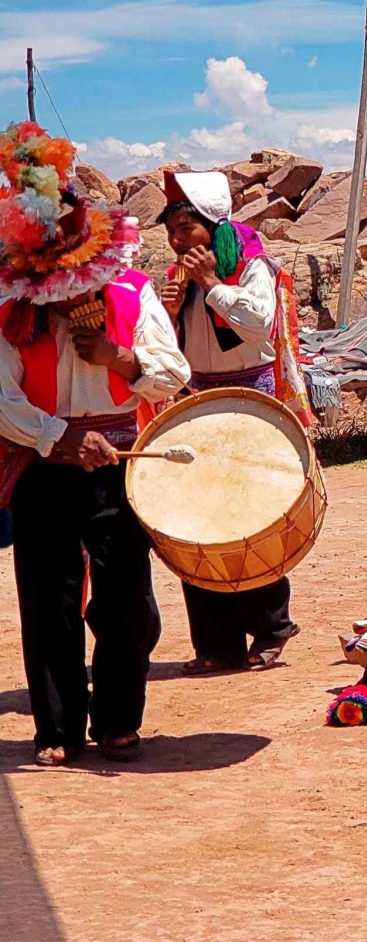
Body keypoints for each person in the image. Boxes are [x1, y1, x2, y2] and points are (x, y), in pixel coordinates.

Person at [0, 122, 190, 765]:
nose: (73, 295)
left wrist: (120, 358)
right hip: (42, 465)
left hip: (121, 465)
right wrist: (57, 438)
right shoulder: (13, 311)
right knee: (47, 597)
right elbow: (2, 400)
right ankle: (55, 728)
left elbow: (175, 374)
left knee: (125, 599)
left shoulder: (133, 295)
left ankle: (116, 719)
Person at [158, 170, 313, 674]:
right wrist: (169, 313)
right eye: (172, 230)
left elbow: (258, 324)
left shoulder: (250, 264)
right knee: (197, 517)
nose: (176, 239)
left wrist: (210, 284)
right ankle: (216, 642)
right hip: (198, 396)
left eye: (185, 228)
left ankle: (271, 624)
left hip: (250, 397)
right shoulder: (177, 277)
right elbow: (175, 350)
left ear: (210, 226)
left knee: (250, 514)